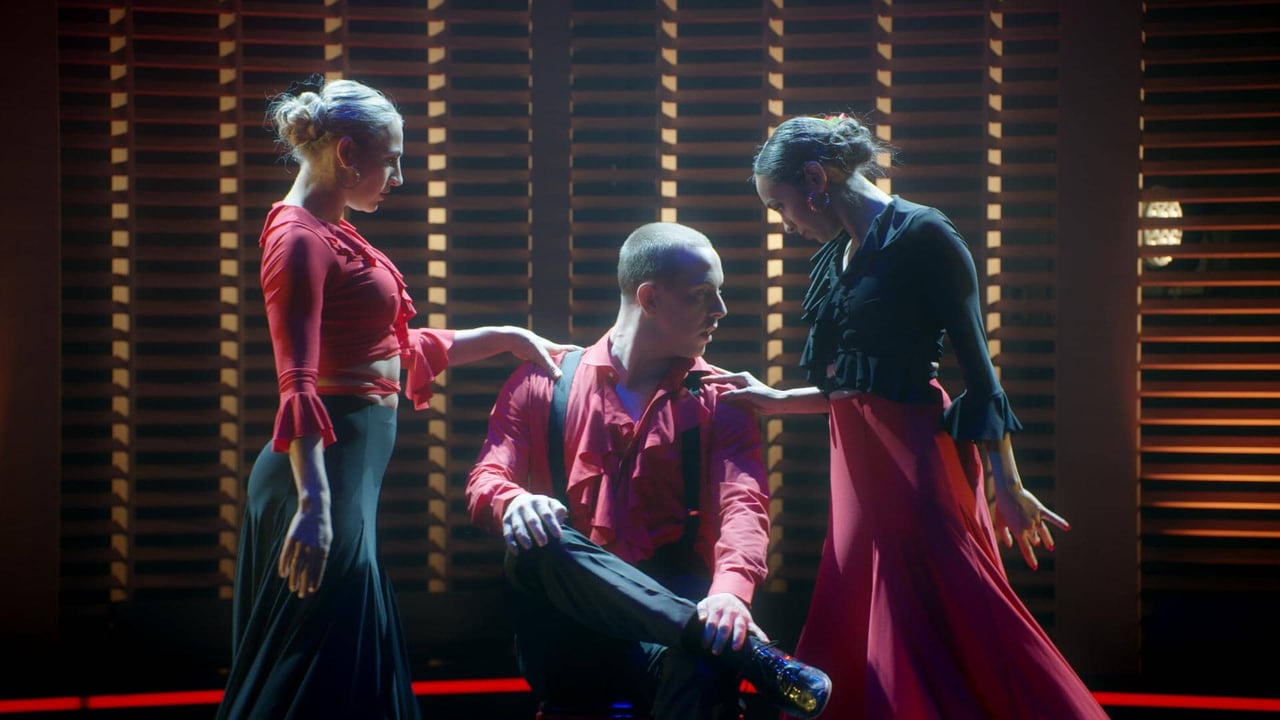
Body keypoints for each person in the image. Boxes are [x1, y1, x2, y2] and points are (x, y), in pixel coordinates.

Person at [704, 113, 1110, 719]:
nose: (785, 223)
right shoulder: (842, 251)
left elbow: (980, 373)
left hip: (912, 456)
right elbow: (855, 383)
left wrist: (1007, 482)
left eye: (780, 205)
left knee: (938, 610)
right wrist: (778, 399)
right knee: (859, 606)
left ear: (814, 178)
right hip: (855, 462)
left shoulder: (925, 234)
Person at [216, 74, 574, 720]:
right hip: (319, 475)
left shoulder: (332, 229)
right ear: (347, 153)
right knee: (316, 660)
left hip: (341, 473)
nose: (399, 177)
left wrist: (506, 337)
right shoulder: (298, 238)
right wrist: (314, 504)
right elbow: (296, 381)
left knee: (341, 654)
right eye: (392, 160)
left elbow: (390, 349)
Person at [464, 222, 832, 720]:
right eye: (703, 295)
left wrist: (730, 594)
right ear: (649, 298)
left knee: (708, 651)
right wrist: (514, 502)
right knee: (541, 543)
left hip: (666, 624)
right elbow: (486, 478)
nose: (721, 310)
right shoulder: (542, 381)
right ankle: (742, 650)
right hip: (567, 629)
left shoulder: (721, 398)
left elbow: (743, 507)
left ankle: (709, 636)